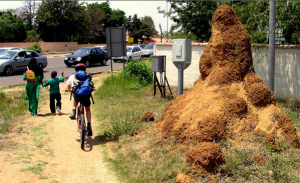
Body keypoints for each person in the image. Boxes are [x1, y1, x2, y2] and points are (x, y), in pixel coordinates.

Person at [67, 63, 93, 136]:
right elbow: (92, 85)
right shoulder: (88, 75)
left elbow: (69, 86)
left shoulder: (72, 76)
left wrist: (71, 90)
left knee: (75, 98)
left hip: (77, 95)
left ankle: (74, 111)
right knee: (87, 109)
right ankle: (89, 125)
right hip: (86, 95)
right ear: (84, 69)